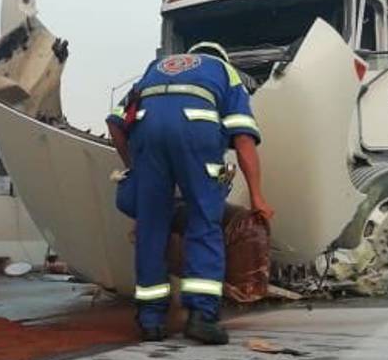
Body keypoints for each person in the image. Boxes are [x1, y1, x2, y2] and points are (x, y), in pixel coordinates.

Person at [107, 41, 273, 344]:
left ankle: (150, 322)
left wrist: (134, 168)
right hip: (197, 132)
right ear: (220, 58)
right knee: (204, 222)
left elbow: (116, 124)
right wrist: (258, 196)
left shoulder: (154, 69)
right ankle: (201, 317)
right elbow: (244, 139)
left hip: (147, 134)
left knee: (151, 227)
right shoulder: (226, 71)